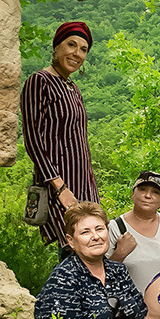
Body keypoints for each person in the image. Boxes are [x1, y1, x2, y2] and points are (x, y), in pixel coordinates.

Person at [20, 21, 99, 256]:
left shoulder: (72, 88)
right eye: (71, 45)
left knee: (94, 249)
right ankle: (63, 293)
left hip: (84, 185)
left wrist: (92, 188)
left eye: (83, 49)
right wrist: (60, 186)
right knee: (76, 249)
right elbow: (33, 140)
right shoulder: (39, 82)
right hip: (58, 186)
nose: (77, 53)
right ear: (56, 47)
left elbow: (78, 142)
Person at [107, 170, 160, 293]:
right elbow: (101, 276)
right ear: (133, 194)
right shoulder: (116, 228)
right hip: (134, 308)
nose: (148, 196)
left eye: (155, 192)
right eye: (143, 190)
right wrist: (119, 254)